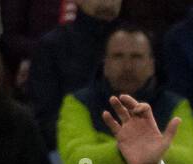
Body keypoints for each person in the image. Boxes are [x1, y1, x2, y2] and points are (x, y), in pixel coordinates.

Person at [59, 25, 193, 164]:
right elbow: (77, 163)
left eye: (136, 57)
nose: (127, 66)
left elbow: (191, 161)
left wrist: (147, 153)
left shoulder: (176, 105)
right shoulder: (78, 103)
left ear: (151, 65)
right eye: (118, 56)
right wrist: (123, 152)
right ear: (105, 64)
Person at [27, 0, 123, 152]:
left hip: (133, 147)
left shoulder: (137, 46)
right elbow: (44, 116)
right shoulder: (52, 46)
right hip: (69, 148)